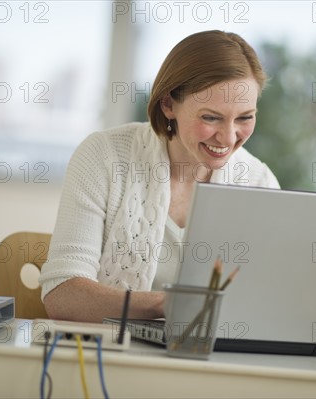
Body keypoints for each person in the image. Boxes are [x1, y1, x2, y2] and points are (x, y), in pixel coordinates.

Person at [39, 30, 280, 322]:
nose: (229, 137)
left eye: (245, 117)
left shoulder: (258, 181)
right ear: (168, 105)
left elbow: (268, 303)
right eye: (210, 117)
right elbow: (62, 296)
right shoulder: (105, 156)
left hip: (214, 364)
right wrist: (166, 305)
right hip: (109, 358)